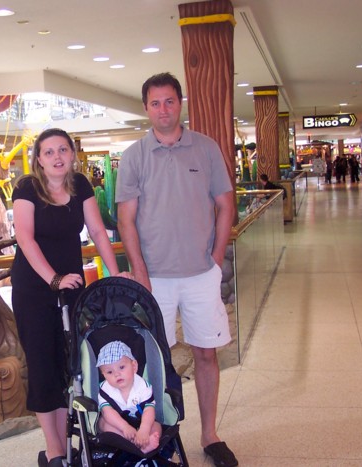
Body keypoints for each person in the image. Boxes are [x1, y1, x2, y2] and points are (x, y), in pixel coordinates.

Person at [116, 72, 238, 467]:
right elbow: (126, 221)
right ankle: (160, 439)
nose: (163, 109)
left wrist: (216, 258)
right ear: (146, 108)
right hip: (155, 279)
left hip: (201, 273)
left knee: (206, 353)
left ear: (180, 103)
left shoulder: (205, 148)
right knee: (154, 362)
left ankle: (210, 434)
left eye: (169, 101)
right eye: (155, 103)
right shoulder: (134, 156)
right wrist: (140, 273)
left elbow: (225, 205)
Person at [10, 128, 129, 467]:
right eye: (49, 152)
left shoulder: (80, 186)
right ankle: (55, 450)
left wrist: (114, 272)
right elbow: (25, 238)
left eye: (63, 150)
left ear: (72, 154)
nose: (57, 157)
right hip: (35, 289)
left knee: (70, 366)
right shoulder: (27, 188)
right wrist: (54, 279)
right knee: (43, 366)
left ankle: (67, 441)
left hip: (72, 286)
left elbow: (97, 231)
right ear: (39, 159)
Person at [96, 341, 162, 453]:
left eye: (121, 367)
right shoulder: (104, 390)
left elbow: (149, 410)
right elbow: (108, 412)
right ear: (104, 375)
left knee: (156, 425)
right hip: (118, 425)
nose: (116, 374)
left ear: (134, 366)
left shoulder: (143, 386)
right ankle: (132, 444)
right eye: (110, 372)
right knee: (103, 423)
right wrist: (124, 427)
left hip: (141, 421)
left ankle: (145, 443)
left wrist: (144, 429)